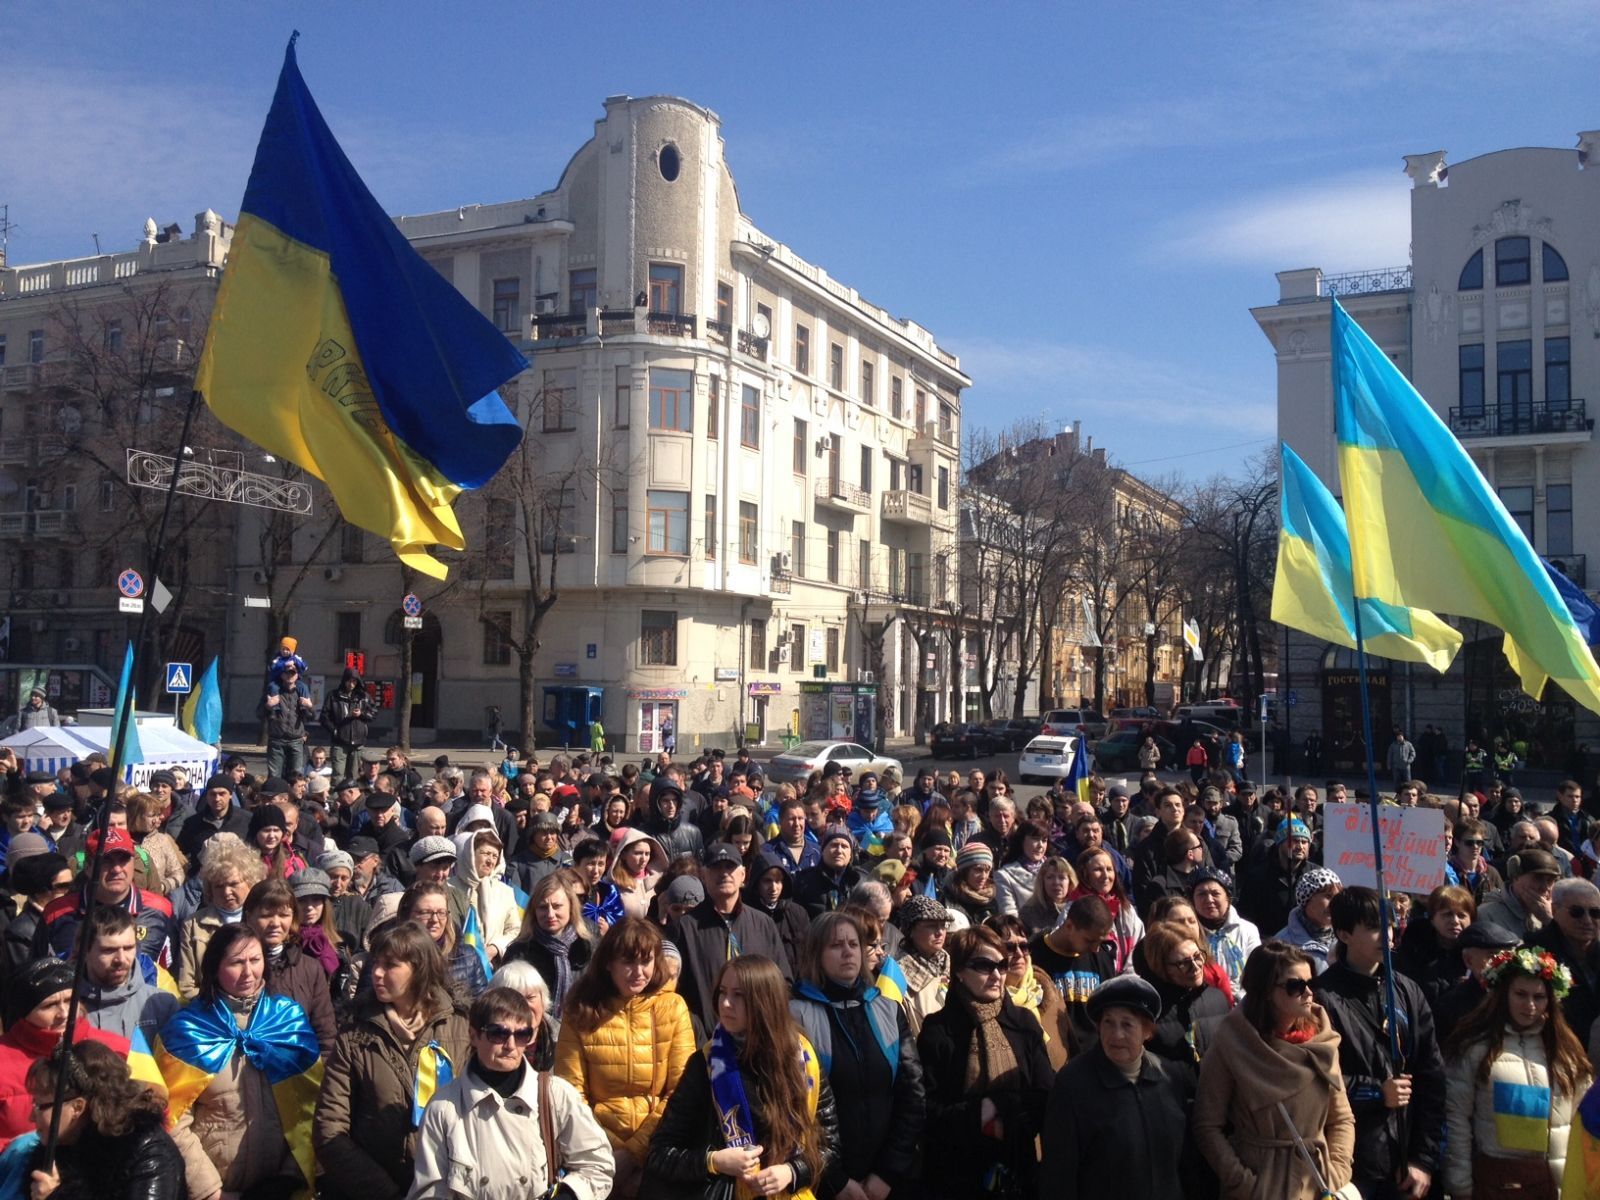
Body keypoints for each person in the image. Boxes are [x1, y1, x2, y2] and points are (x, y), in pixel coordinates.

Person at [642, 955, 837, 1200]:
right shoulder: (705, 1064)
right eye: (722, 993)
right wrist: (714, 1161)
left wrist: (792, 1171)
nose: (725, 1003)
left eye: (738, 995)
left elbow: (829, 1146)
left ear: (765, 1002)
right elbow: (660, 1153)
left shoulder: (804, 1059)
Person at [152, 923, 320, 1200]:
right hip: (218, 1188)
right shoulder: (187, 1031)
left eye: (255, 960)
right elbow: (172, 1118)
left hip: (282, 1187)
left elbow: (311, 1103)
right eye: (236, 962)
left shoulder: (287, 1020)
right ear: (215, 967)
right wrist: (211, 1192)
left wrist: (291, 1176)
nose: (248, 972)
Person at [409, 985, 615, 1200]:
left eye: (522, 1035)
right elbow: (429, 1192)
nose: (510, 1045)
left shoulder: (556, 1095)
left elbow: (597, 1165)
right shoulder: (443, 1108)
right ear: (473, 1035)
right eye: (498, 1034)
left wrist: (567, 1196)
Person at [314, 920, 471, 1200]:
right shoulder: (354, 1035)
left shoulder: (461, 1027)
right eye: (376, 962)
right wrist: (387, 1193)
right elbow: (330, 1131)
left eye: (390, 965)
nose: (376, 973)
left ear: (419, 969)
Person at [1192, 941, 1356, 1200]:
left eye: (1310, 983)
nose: (1308, 993)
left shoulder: (1322, 1041)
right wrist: (1245, 1183)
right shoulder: (1232, 1041)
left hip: (1317, 1184)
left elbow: (1342, 1118)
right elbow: (1207, 1125)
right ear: (1266, 990)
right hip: (1261, 1183)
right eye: (1295, 986)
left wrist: (1335, 1172)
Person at [1314, 887, 1446, 1200]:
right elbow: (1316, 1081)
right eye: (1373, 927)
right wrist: (1375, 1092)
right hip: (1349, 1161)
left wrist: (1423, 1159)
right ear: (1344, 935)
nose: (1385, 936)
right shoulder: (1321, 997)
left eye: (1387, 925)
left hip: (1404, 1160)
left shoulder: (1407, 991)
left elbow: (1431, 1077)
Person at [787, 911, 925, 1200]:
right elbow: (794, 1110)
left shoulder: (887, 1008)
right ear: (816, 954)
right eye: (836, 945)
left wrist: (887, 1172)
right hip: (826, 1182)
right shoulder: (796, 1015)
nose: (848, 952)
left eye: (854, 944)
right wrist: (835, 1180)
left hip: (887, 1181)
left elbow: (912, 1094)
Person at [552, 918, 693, 1199]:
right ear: (608, 963)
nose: (638, 972)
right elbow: (570, 1093)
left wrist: (633, 1154)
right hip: (596, 1149)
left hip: (659, 1149)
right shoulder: (581, 1009)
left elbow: (681, 1091)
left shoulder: (673, 1007)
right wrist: (608, 1154)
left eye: (646, 961)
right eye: (628, 962)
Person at [915, 926, 1053, 1200]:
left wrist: (1008, 1112)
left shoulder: (1023, 1023)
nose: (996, 975)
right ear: (960, 973)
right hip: (956, 1173)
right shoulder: (938, 1031)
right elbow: (926, 1108)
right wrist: (981, 1112)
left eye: (1001, 965)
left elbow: (1046, 1091)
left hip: (1017, 1164)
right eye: (983, 965)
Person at [1444, 945, 1591, 1199]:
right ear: (1503, 994)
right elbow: (1457, 1118)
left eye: (1539, 997)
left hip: (1559, 1184)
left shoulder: (1567, 1051)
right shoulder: (1475, 1048)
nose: (1530, 1005)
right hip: (1498, 1182)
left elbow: (1586, 1118)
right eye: (1521, 994)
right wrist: (1460, 1184)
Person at [1040, 975, 1199, 1200]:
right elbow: (1058, 1175)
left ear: (1147, 1031)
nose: (1116, 1035)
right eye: (1108, 1022)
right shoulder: (1073, 1084)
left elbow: (1187, 1160)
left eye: (1127, 1024)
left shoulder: (1169, 1076)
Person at [18, 1039, 185, 1200]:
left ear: (77, 1107)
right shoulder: (54, 1154)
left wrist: (56, 1197)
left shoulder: (149, 1152)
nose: (31, 1117)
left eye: (41, 1106)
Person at [0, 959, 129, 1150]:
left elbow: (150, 1119)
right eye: (48, 1005)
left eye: (70, 1000)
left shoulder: (117, 1048)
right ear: (25, 1012)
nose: (63, 1013)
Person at [663, 843, 791, 1032]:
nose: (723, 874)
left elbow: (783, 983)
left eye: (730, 867)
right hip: (707, 1042)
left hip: (759, 1036)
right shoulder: (685, 927)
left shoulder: (764, 924)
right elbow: (674, 990)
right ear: (705, 875)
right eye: (716, 867)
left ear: (743, 875)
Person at [243, 877, 338, 1054]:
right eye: (266, 915)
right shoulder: (235, 965)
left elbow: (325, 1034)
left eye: (284, 915)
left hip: (299, 1074)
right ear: (249, 917)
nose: (276, 924)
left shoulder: (310, 968)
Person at [1134, 921, 1231, 1076]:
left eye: (1198, 956)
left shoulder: (1217, 998)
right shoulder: (1146, 1010)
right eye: (1184, 963)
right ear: (1161, 967)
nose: (1196, 966)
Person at [76, 904, 180, 1046]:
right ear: (84, 951)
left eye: (128, 948)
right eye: (109, 950)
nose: (121, 959)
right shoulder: (63, 1009)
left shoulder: (162, 1006)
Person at [1031, 894, 1117, 1055]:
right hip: (1051, 1055)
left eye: (1100, 941)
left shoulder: (1102, 957)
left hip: (1094, 1056)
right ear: (1069, 925)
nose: (1096, 948)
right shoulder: (1033, 955)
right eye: (1090, 941)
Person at [983, 913, 1071, 1072]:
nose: (1019, 954)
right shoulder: (985, 1004)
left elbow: (1070, 1045)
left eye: (1023, 946)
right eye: (1009, 947)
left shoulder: (1047, 990)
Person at [505, 873, 595, 1020]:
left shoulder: (589, 946)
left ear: (571, 906)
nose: (550, 914)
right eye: (542, 907)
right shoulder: (519, 953)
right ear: (534, 911)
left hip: (582, 1029)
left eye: (557, 906)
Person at [398, 882, 489, 999]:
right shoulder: (386, 954)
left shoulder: (468, 957)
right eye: (426, 913)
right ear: (407, 915)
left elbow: (481, 1007)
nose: (435, 919)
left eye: (441, 913)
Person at [1189, 867, 1260, 1000]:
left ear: (1228, 898)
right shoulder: (1187, 933)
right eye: (1201, 894)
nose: (1209, 899)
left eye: (1215, 893)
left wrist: (1240, 1000)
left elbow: (1256, 974)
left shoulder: (1248, 930)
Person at [1066, 847, 1141, 972]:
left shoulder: (1126, 909)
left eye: (1109, 869)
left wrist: (1127, 979)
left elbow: (1138, 947)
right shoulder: (1073, 909)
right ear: (1085, 874)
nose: (1106, 875)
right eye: (1098, 870)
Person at [744, 852, 811, 978]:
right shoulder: (746, 914)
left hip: (796, 989)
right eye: (767, 881)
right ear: (756, 882)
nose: (773, 888)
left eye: (778, 881)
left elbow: (810, 955)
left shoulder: (798, 913)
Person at [894, 896, 951, 1037]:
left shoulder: (953, 965)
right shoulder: (898, 975)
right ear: (910, 931)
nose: (940, 932)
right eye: (931, 925)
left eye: (943, 925)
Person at [1478, 847, 1560, 940]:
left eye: (1550, 881)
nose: (1545, 888)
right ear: (1515, 876)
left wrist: (1549, 921)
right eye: (1538, 878)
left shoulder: (1556, 912)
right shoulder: (1487, 914)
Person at [1275, 866, 1342, 975]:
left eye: (1337, 897)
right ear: (1308, 898)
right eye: (1328, 896)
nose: (1334, 903)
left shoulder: (1348, 938)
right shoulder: (1282, 943)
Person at [259, 661, 315, 779]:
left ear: (297, 675)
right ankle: (276, 796)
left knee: (296, 776)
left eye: (293, 673)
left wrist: (310, 707)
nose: (290, 676)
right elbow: (259, 713)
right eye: (287, 673)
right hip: (276, 741)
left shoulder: (301, 692)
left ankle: (293, 797)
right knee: (275, 776)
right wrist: (268, 705)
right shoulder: (273, 691)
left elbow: (311, 717)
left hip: (296, 741)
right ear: (281, 675)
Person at [321, 668, 375, 781]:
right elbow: (324, 717)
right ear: (344, 681)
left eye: (354, 681)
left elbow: (373, 714)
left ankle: (353, 798)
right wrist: (334, 731)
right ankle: (336, 797)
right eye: (349, 681)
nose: (351, 684)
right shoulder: (333, 696)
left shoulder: (364, 697)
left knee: (353, 777)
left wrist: (362, 714)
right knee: (337, 776)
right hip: (339, 741)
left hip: (358, 742)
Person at [608, 828, 667, 922]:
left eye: (647, 854)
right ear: (623, 854)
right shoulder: (612, 884)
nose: (644, 859)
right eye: (638, 853)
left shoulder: (659, 881)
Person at [1016, 856, 1074, 938]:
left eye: (1061, 877)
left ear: (1070, 882)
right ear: (1042, 882)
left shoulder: (1078, 910)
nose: (1056, 882)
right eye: (1050, 877)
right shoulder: (1028, 913)